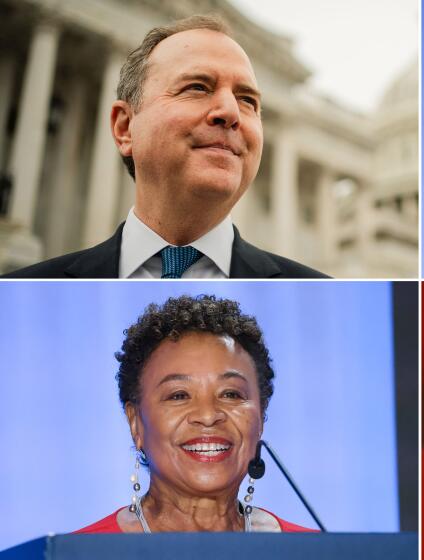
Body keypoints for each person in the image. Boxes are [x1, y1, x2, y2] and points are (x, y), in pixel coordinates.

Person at [4, 15, 327, 279]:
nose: (230, 112)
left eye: (247, 100)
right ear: (124, 127)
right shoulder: (16, 295)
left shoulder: (324, 300)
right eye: (197, 87)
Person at [75, 295, 315, 533]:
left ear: (261, 416)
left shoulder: (319, 552)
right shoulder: (72, 554)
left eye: (231, 394)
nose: (208, 415)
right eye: (179, 395)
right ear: (136, 422)